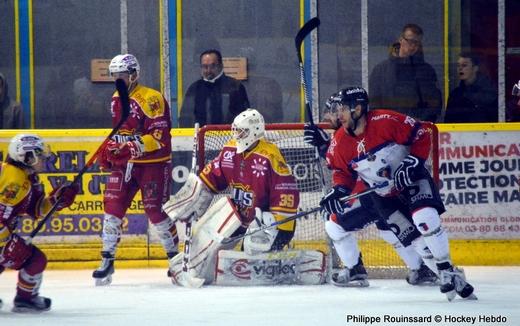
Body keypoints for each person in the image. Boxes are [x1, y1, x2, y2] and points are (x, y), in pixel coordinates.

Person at [319, 86, 476, 301]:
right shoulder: (339, 143)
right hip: (383, 197)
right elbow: (342, 173)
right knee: (418, 243)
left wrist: (414, 161)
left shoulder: (386, 120)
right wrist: (338, 191)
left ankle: (446, 267)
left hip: (412, 179)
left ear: (357, 109)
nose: (338, 115)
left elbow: (421, 134)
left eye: (342, 109)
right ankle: (449, 275)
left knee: (424, 218)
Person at [164, 109, 314, 286]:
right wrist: (194, 198)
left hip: (269, 224)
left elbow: (285, 194)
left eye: (241, 131)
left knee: (253, 244)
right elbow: (211, 179)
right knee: (215, 221)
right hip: (241, 219)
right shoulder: (229, 150)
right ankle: (190, 264)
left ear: (255, 131)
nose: (237, 135)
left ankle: (278, 263)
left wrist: (278, 230)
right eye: (235, 130)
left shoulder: (270, 156)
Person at [304, 95, 438, 287]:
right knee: (387, 227)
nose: (330, 116)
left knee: (334, 225)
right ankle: (422, 268)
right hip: (389, 189)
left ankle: (355, 270)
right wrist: (324, 146)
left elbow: (353, 166)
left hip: (374, 192)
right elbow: (348, 159)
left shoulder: (355, 133)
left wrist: (324, 146)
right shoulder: (347, 134)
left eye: (334, 111)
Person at [92, 54, 178, 286]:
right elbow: (122, 132)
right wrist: (111, 148)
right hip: (126, 164)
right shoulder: (115, 99)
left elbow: (159, 138)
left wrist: (130, 146)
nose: (118, 80)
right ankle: (107, 259)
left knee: (155, 212)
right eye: (115, 76)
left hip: (152, 164)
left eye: (122, 75)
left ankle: (175, 260)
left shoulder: (151, 98)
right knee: (112, 208)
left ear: (134, 74)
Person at [0, 134, 78, 312]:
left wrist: (57, 200)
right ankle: (25, 299)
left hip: (3, 231)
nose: (44, 160)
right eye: (40, 156)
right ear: (26, 156)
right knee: (35, 259)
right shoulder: (13, 180)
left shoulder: (28, 177)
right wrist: (7, 243)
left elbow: (37, 209)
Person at [369, 24, 442, 123]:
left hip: (417, 130)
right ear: (401, 40)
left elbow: (434, 104)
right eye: (410, 41)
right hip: (389, 130)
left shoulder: (426, 71)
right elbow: (375, 105)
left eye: (417, 43)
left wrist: (419, 122)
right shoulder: (380, 70)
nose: (413, 46)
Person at [178, 49, 250, 127]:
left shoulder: (235, 87)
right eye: (205, 66)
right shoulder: (194, 89)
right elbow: (185, 118)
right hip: (199, 136)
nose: (208, 70)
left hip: (229, 136)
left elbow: (244, 117)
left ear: (221, 65)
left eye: (212, 66)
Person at [445, 52, 498, 123]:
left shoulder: (488, 91)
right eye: (458, 65)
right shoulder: (455, 94)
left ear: (475, 68)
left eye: (464, 65)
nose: (460, 68)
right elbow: (449, 121)